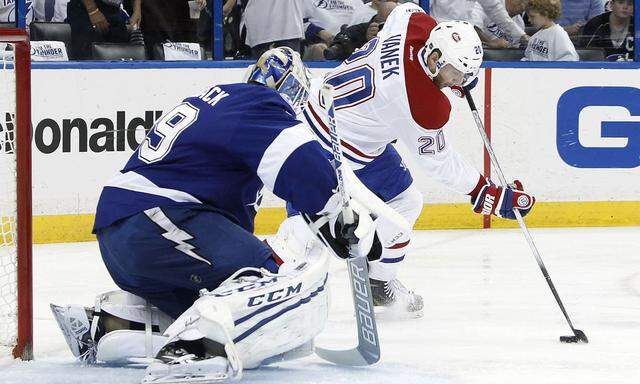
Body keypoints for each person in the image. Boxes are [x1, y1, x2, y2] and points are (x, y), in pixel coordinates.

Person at [50, 47, 395, 381]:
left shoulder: (223, 103)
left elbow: (231, 220)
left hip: (126, 234)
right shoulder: (261, 105)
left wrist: (325, 223)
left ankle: (111, 325)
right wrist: (337, 210)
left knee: (213, 300)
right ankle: (195, 348)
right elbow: (299, 161)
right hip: (159, 219)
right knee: (270, 281)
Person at [277, 2, 536, 316]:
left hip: (316, 113)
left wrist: (459, 71)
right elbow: (439, 163)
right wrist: (487, 193)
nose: (459, 81)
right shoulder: (419, 103)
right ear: (435, 58)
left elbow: (403, 9)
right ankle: (276, 284)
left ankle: (379, 283)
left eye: (466, 73)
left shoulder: (412, 26)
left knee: (406, 200)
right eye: (456, 72)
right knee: (312, 228)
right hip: (336, 148)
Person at [66, 0, 141, 60]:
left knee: (119, 59)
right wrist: (92, 10)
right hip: (86, 8)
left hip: (115, 9)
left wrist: (137, 9)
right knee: (87, 59)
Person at [430, 0, 529, 45]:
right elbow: (422, 9)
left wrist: (520, 35)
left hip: (461, 34)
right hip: (435, 32)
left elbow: (495, 9)